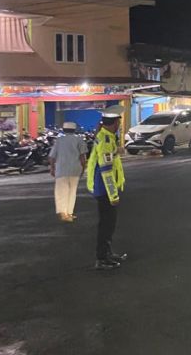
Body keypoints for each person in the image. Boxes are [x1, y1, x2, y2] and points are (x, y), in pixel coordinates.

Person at [86, 113, 127, 270]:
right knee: (106, 225)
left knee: (108, 224)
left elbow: (105, 159)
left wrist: (116, 151)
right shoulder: (106, 140)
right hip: (105, 190)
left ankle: (107, 253)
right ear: (115, 123)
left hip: (103, 189)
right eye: (118, 122)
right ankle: (102, 258)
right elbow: (106, 171)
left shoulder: (105, 136)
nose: (119, 125)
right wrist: (113, 195)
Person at [48, 121, 87, 222]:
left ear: (64, 130)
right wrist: (83, 168)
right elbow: (82, 157)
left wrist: (52, 168)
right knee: (72, 191)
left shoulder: (59, 141)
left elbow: (52, 156)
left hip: (61, 169)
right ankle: (69, 212)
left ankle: (63, 213)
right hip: (75, 169)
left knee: (61, 191)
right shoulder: (79, 140)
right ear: (74, 130)